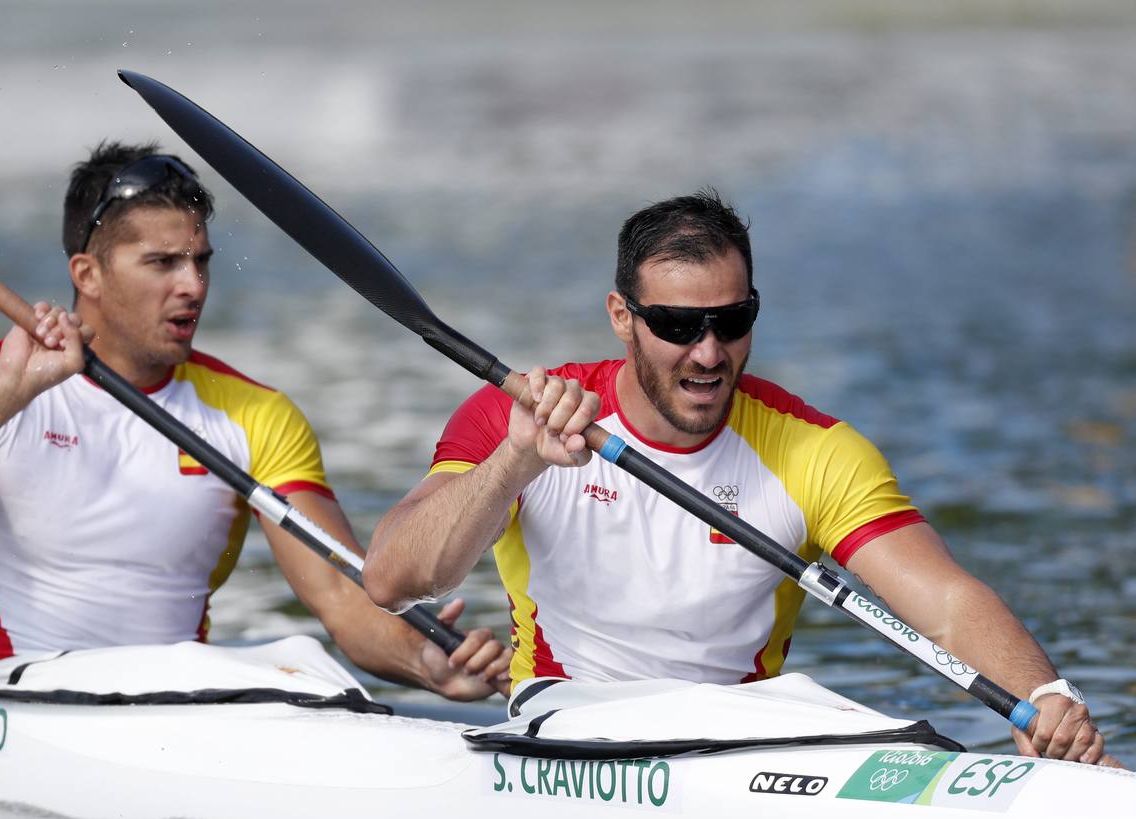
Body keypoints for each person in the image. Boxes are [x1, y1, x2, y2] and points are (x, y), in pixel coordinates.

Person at [363, 189, 1118, 762]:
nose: (708, 352)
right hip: (567, 721)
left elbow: (946, 603)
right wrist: (514, 463)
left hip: (746, 738)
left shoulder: (813, 449)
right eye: (677, 326)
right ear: (621, 316)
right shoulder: (518, 418)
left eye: (731, 320)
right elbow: (393, 579)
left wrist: (1045, 697)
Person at [0, 141, 510, 700]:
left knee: (305, 668)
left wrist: (425, 662)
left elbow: (341, 593)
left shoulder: (254, 414)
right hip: (7, 703)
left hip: (174, 716)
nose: (192, 285)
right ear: (87, 274)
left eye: (199, 261)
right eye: (162, 263)